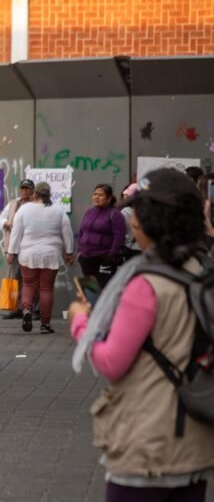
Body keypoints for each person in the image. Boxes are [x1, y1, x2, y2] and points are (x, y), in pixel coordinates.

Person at [69, 169, 214, 501]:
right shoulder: (203, 268)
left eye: (137, 212)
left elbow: (110, 362)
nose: (132, 221)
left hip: (149, 445)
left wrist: (80, 322)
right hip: (195, 443)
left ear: (153, 221)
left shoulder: (145, 284)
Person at [6, 182, 74, 334]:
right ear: (49, 194)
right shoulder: (58, 210)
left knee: (28, 285)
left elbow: (16, 232)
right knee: (46, 288)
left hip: (28, 253)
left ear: (34, 194)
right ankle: (45, 324)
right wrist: (69, 252)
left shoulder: (24, 209)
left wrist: (12, 252)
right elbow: (67, 232)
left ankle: (27, 310)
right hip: (51, 254)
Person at [0, 179, 35, 319]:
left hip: (30, 246)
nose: (25, 191)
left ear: (33, 190)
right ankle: (17, 308)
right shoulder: (13, 203)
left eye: (28, 188)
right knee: (16, 278)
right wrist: (6, 223)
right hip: (15, 247)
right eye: (23, 188)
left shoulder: (36, 204)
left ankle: (32, 309)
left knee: (31, 279)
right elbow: (1, 218)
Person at [77, 184, 126, 289]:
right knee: (90, 292)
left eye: (100, 195)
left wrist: (110, 257)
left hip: (103, 259)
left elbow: (119, 237)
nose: (96, 197)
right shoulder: (89, 212)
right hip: (86, 259)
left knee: (104, 290)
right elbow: (82, 231)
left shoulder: (115, 214)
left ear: (108, 198)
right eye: (95, 194)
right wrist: (80, 252)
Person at [119, 183, 141, 262]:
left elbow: (121, 233)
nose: (124, 197)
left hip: (130, 249)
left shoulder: (125, 212)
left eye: (126, 195)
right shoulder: (146, 210)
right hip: (143, 249)